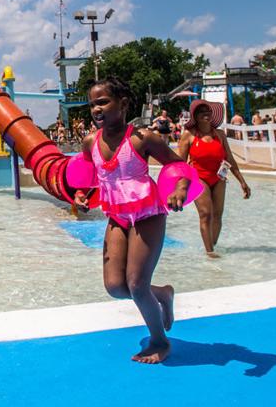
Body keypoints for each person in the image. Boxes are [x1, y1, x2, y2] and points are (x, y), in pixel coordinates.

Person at [73, 78, 190, 364]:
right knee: (116, 286)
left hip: (148, 212)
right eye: (92, 104)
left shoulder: (142, 138)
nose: (96, 109)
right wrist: (80, 193)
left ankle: (159, 341)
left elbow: (178, 165)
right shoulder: (91, 142)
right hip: (117, 216)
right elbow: (90, 175)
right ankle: (162, 293)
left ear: (123, 105)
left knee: (136, 284)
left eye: (103, 102)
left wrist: (180, 188)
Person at [178, 99, 251, 258]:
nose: (206, 113)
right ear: (195, 116)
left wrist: (242, 182)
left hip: (219, 177)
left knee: (218, 214)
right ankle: (210, 252)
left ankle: (212, 245)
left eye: (208, 111)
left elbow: (230, 159)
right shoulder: (188, 136)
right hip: (199, 177)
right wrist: (179, 187)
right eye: (202, 111)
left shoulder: (220, 134)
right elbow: (179, 164)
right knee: (206, 213)